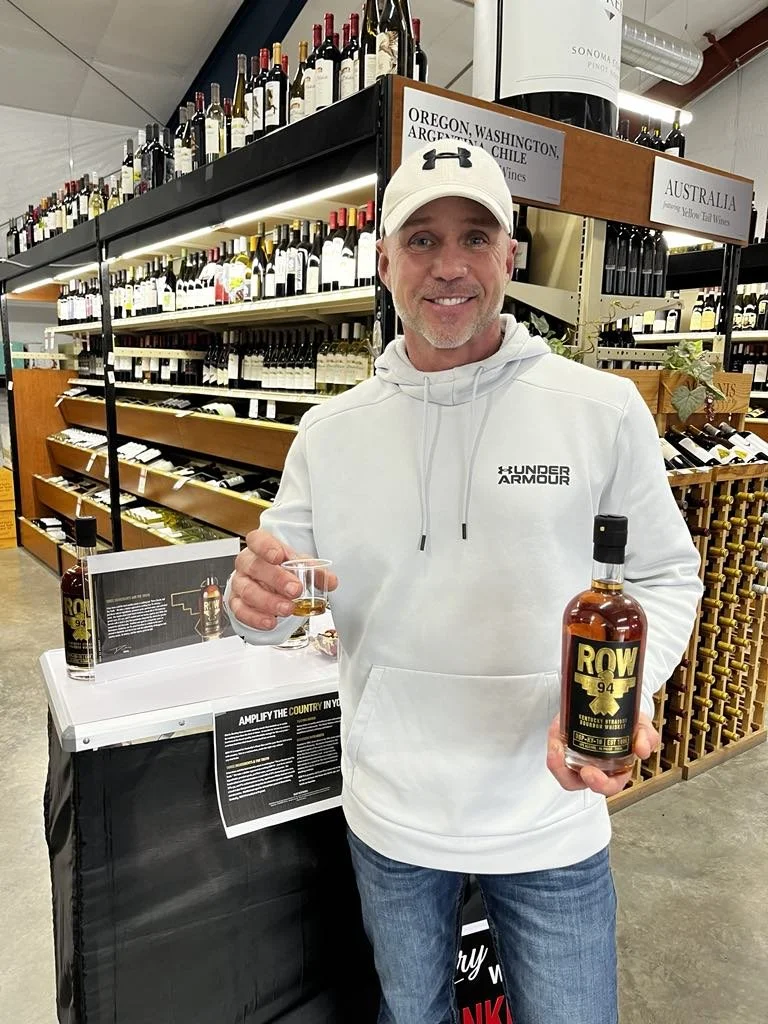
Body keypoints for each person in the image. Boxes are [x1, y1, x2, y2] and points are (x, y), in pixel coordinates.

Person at [225, 140, 703, 1024]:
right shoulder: (330, 433)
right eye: (421, 240)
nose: (450, 267)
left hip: (550, 816)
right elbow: (276, 598)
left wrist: (629, 685)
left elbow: (669, 575)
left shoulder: (601, 414)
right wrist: (247, 603)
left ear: (510, 257)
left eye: (476, 237)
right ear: (383, 263)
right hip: (393, 818)